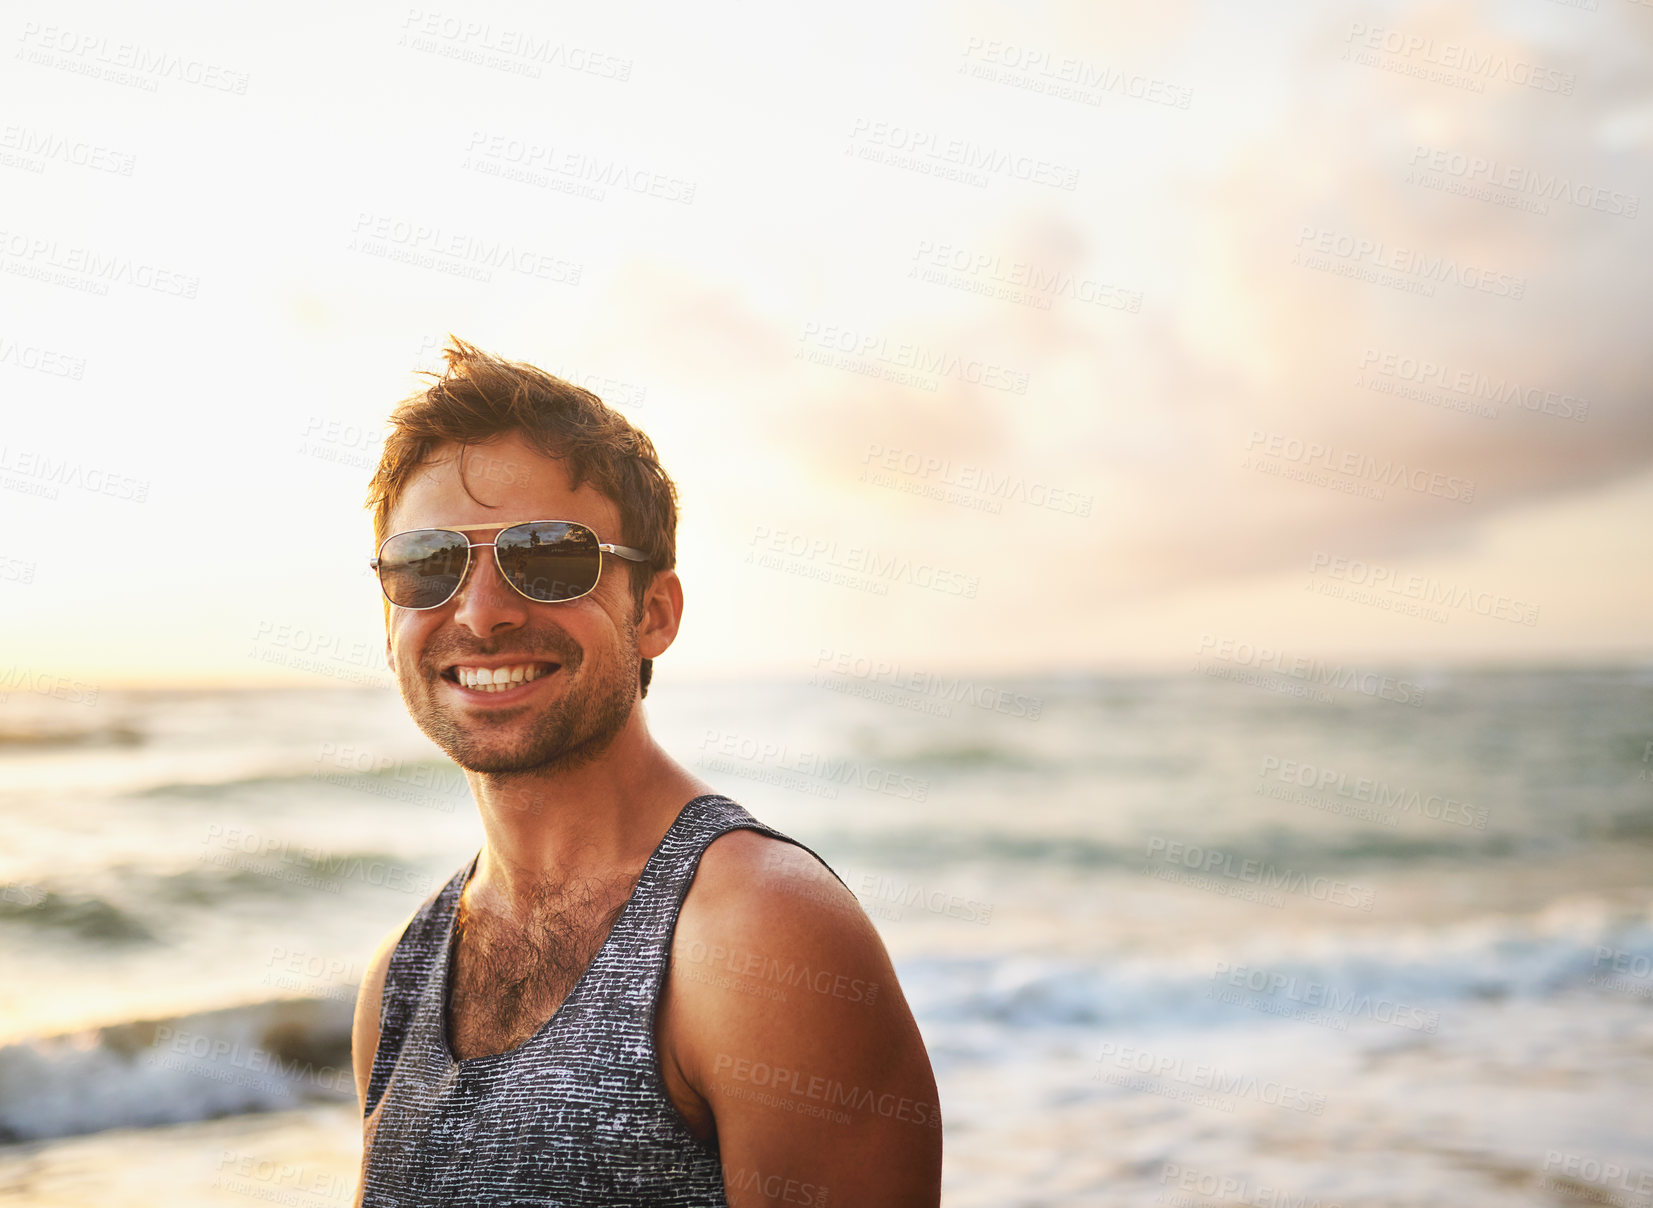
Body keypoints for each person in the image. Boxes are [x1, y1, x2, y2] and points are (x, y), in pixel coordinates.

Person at [350, 338, 942, 1206]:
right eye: (428, 564)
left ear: (653, 612)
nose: (479, 614)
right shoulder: (399, 978)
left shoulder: (761, 936)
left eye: (548, 558)